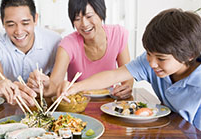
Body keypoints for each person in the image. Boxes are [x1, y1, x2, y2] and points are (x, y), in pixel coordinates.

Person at [58, 8, 201, 130]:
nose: (152, 64)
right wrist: (75, 87)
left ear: (190, 55)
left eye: (161, 58)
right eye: (148, 54)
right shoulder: (150, 62)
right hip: (170, 130)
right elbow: (113, 76)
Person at [27, 0, 133, 99]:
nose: (84, 24)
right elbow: (54, 85)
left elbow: (128, 75)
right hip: (77, 105)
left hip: (109, 103)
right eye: (77, 19)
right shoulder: (67, 44)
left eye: (89, 16)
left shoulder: (118, 34)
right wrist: (44, 85)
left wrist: (126, 88)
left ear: (101, 13)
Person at [0, 0, 61, 84]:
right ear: (2, 22)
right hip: (6, 97)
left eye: (25, 23)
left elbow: (56, 82)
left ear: (35, 19)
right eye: (11, 25)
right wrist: (9, 87)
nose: (19, 31)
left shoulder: (54, 41)